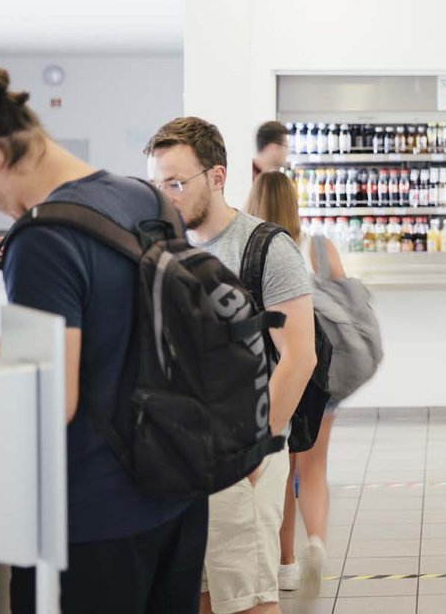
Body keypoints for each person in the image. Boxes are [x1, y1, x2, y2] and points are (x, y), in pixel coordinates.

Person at [0, 69, 208, 614]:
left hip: (94, 517)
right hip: (176, 494)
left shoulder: (44, 238)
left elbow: (53, 400)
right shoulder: (146, 199)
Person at [145, 118, 319, 614]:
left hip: (241, 455)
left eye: (176, 183)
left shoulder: (265, 248)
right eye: (157, 185)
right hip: (179, 460)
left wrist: (254, 450)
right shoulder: (161, 250)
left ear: (217, 177)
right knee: (197, 596)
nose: (166, 197)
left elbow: (299, 355)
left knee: (247, 601)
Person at [244, 171, 343, 594]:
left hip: (271, 374)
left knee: (281, 471)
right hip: (320, 372)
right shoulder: (318, 246)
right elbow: (343, 296)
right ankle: (316, 544)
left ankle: (285, 562)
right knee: (315, 466)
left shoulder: (250, 251)